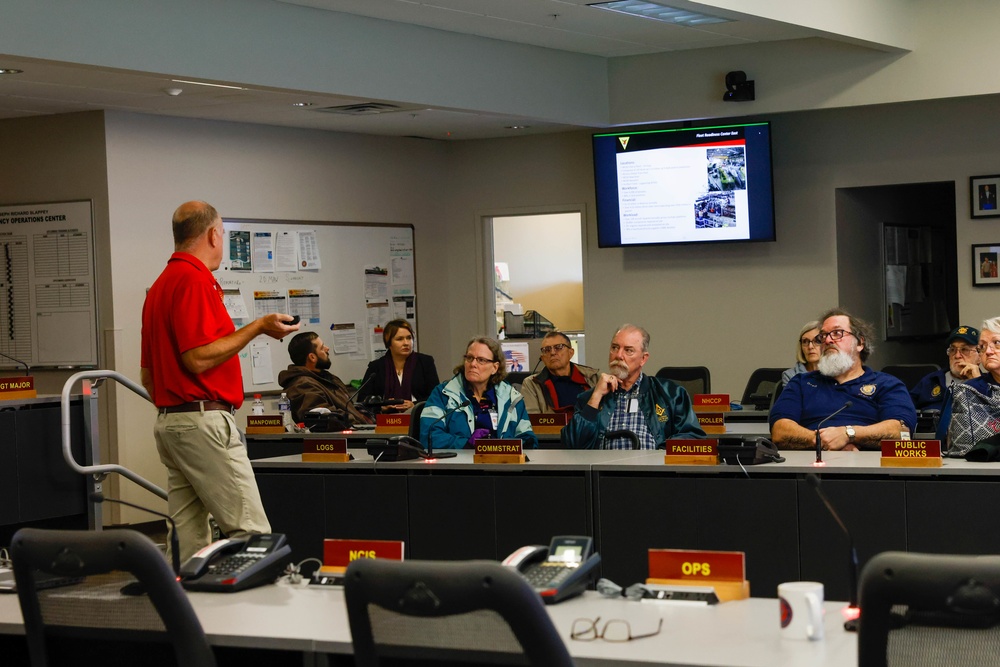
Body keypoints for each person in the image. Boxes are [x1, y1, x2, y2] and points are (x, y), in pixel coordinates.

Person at [140, 200, 300, 562]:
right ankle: (255, 616)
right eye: (223, 234)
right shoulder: (194, 280)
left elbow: (147, 375)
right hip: (203, 421)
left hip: (171, 421)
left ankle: (186, 610)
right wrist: (258, 326)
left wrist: (177, 410)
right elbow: (196, 358)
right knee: (252, 532)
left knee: (187, 538)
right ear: (213, 234)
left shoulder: (160, 286)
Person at [770, 308, 916, 450]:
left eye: (837, 333)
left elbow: (901, 431)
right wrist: (822, 441)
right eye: (823, 336)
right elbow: (780, 430)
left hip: (868, 468)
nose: (827, 340)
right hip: (809, 467)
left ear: (860, 343)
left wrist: (849, 434)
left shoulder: (887, 384)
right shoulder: (801, 383)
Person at [562, 324, 705, 450]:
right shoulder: (589, 398)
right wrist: (596, 397)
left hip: (653, 475)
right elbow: (573, 446)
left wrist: (660, 453)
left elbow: (693, 436)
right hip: (604, 476)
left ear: (643, 359)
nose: (618, 355)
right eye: (614, 348)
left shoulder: (671, 394)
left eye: (628, 350)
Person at [419, 337, 537, 450]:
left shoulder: (512, 398)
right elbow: (429, 436)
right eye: (469, 358)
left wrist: (499, 447)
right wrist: (466, 444)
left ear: (495, 368)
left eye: (481, 360)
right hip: (457, 466)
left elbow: (528, 440)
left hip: (503, 466)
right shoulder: (443, 394)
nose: (473, 364)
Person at [278, 331, 373, 425]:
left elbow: (349, 408)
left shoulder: (328, 378)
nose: (327, 349)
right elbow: (323, 419)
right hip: (344, 438)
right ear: (312, 357)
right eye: (322, 348)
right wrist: (358, 422)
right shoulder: (302, 385)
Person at [358, 319, 439, 412]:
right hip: (384, 420)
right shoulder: (376, 367)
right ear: (389, 343)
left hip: (418, 416)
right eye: (399, 339)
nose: (406, 343)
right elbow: (362, 400)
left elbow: (435, 396)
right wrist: (382, 406)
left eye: (409, 338)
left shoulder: (425, 362)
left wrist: (414, 405)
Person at [946, 318, 1000, 455]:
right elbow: (963, 447)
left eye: (997, 343)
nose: (988, 351)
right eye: (982, 346)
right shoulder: (967, 391)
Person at [520, 331, 600, 414]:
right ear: (542, 358)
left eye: (558, 347)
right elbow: (532, 422)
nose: (552, 353)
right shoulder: (532, 384)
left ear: (571, 352)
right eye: (547, 349)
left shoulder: (593, 379)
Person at [909, 325, 981, 412]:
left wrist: (978, 383)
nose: (957, 356)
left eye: (965, 350)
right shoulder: (932, 380)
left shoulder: (989, 385)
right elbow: (904, 407)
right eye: (953, 350)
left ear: (980, 356)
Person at [781, 321, 821, 386]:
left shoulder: (836, 374)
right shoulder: (791, 375)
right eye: (805, 341)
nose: (810, 347)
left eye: (817, 341)